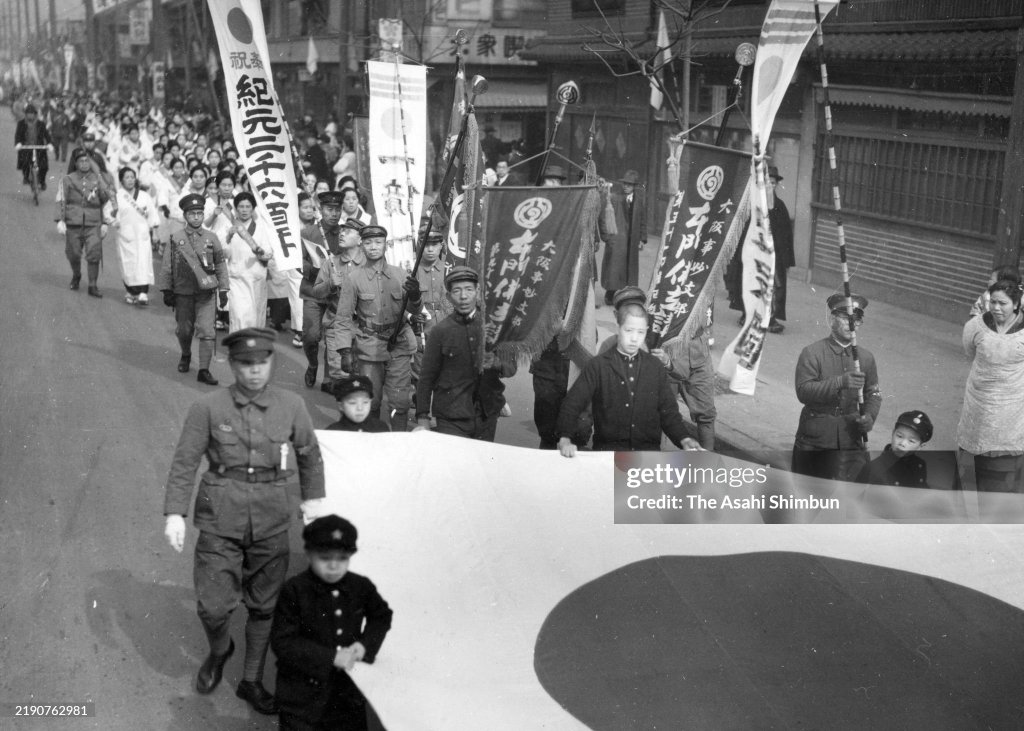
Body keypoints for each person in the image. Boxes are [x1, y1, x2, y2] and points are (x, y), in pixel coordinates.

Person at [163, 327, 326, 716]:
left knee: (264, 606)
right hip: (220, 516)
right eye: (245, 363)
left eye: (262, 362)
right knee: (212, 606)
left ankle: (251, 680)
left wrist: (313, 499)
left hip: (271, 516)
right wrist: (175, 513)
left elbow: (309, 452)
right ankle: (220, 649)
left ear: (271, 362)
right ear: (233, 365)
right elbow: (185, 461)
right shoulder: (208, 407)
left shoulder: (291, 405)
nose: (255, 371)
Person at [271, 514, 392, 730]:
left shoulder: (360, 586)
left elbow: (381, 615)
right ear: (309, 554)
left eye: (342, 558)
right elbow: (283, 642)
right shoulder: (295, 590)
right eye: (325, 558)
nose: (334, 566)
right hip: (301, 698)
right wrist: (330, 657)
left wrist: (365, 645)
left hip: (346, 696)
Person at [557, 303, 693, 456]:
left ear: (646, 331)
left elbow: (669, 412)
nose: (634, 339)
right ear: (618, 328)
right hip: (609, 454)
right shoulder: (598, 366)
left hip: (647, 455)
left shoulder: (655, 367)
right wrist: (565, 437)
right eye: (629, 330)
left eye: (640, 332)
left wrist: (684, 438)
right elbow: (572, 404)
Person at [600, 286, 717, 451]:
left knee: (705, 414)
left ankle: (707, 461)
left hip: (696, 353)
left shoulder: (703, 280)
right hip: (666, 348)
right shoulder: (612, 346)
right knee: (659, 412)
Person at [335, 224, 422, 430]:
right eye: (368, 243)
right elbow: (343, 317)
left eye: (378, 242)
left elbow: (415, 310)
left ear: (385, 245)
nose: (373, 247)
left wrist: (415, 295)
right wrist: (345, 350)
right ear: (362, 245)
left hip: (399, 343)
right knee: (371, 400)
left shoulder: (402, 275)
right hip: (369, 346)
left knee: (399, 401)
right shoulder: (353, 278)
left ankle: (398, 440)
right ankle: (372, 437)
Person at [415, 266, 517, 441]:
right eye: (457, 291)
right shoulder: (440, 331)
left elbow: (511, 368)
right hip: (451, 415)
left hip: (487, 413)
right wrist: (422, 416)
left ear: (478, 292)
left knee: (482, 457)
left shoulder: (495, 327)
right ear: (448, 297)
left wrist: (496, 363)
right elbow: (426, 377)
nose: (463, 296)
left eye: (469, 289)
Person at [792, 293, 882, 481]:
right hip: (815, 441)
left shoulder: (865, 357)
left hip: (851, 440)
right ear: (832, 319)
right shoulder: (812, 353)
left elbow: (873, 393)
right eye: (846, 318)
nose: (852, 324)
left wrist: (869, 416)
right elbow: (803, 391)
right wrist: (840, 382)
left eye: (856, 320)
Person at [957, 279, 1024, 490]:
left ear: (1016, 304)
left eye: (1002, 303)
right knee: (970, 467)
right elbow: (970, 351)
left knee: (1000, 477)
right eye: (993, 302)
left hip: (1011, 407)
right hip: (978, 400)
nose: (996, 307)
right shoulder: (975, 326)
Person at [158, 193, 230, 384]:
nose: (196, 217)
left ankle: (204, 370)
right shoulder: (175, 238)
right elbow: (167, 265)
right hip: (183, 293)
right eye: (192, 214)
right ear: (185, 216)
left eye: (199, 213)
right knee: (184, 330)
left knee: (207, 331)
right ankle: (186, 354)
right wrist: (166, 289)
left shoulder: (212, 238)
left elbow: (220, 264)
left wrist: (224, 289)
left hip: (206, 294)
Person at [726, 166, 792, 333]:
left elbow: (786, 235)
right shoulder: (751, 204)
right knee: (749, 283)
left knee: (773, 287)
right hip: (753, 253)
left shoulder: (780, 206)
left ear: (776, 185)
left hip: (773, 256)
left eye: (773, 183)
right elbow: (742, 229)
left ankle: (770, 318)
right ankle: (747, 315)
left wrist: (786, 260)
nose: (769, 186)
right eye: (766, 182)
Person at [300, 191, 347, 390]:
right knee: (311, 336)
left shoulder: (346, 233)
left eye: (337, 209)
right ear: (320, 209)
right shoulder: (308, 233)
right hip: (313, 291)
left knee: (333, 338)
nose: (334, 214)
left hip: (337, 294)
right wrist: (317, 269)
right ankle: (312, 364)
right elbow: (299, 262)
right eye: (329, 209)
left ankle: (329, 378)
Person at [56, 148, 118, 297]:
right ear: (76, 163)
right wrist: (60, 220)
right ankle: (76, 274)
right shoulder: (67, 180)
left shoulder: (98, 179)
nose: (84, 163)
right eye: (81, 161)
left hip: (93, 222)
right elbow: (61, 200)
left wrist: (105, 223)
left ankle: (92, 285)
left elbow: (105, 202)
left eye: (87, 161)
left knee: (94, 254)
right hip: (73, 222)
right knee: (73, 254)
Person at [224, 191, 274, 332]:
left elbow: (269, 253)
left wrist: (260, 253)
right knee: (239, 316)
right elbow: (224, 253)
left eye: (248, 206)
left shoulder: (262, 228)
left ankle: (254, 344)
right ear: (235, 209)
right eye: (241, 206)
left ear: (253, 209)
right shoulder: (230, 227)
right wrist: (229, 237)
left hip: (256, 278)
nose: (244, 210)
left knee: (255, 317)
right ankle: (238, 344)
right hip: (236, 278)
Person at [113, 166, 160, 305]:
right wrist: (114, 221)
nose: (130, 180)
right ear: (121, 180)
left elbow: (152, 215)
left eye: (132, 177)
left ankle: (143, 292)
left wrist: (155, 232)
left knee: (144, 262)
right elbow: (109, 213)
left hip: (142, 234)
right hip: (125, 235)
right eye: (127, 177)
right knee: (128, 264)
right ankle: (131, 291)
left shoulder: (144, 196)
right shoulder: (117, 196)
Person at [600, 170, 647, 306]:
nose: (626, 186)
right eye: (625, 184)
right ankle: (610, 293)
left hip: (632, 238)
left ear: (634, 186)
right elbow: (603, 218)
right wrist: (607, 238)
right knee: (614, 266)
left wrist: (641, 238)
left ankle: (627, 294)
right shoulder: (614, 198)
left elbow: (642, 219)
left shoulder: (639, 200)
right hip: (617, 238)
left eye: (629, 184)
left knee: (629, 267)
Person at [856, 410, 932, 487]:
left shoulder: (919, 464)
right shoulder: (872, 468)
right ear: (893, 433)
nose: (902, 443)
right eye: (899, 436)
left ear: (920, 446)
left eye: (911, 441)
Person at [326, 376, 390, 432]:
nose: (360, 408)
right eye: (353, 403)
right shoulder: (332, 433)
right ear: (341, 406)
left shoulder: (381, 429)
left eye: (365, 402)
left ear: (370, 402)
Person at [15, 104, 52, 189]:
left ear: (35, 114)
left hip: (39, 147)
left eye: (32, 113)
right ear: (26, 114)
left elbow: (46, 135)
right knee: (25, 163)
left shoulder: (41, 124)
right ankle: (26, 177)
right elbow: (18, 135)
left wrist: (49, 143)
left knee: (44, 166)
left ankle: (42, 182)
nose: (30, 115)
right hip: (26, 147)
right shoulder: (21, 124)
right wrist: (18, 143)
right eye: (28, 113)